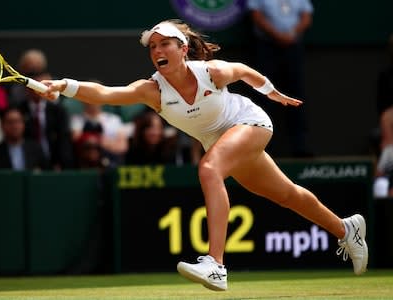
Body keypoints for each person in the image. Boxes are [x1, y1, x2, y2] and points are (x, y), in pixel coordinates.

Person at [40, 19, 368, 291]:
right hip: (222, 141)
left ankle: (216, 265)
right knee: (286, 195)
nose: (157, 51)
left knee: (209, 169)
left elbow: (243, 71)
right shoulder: (151, 91)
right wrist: (64, 84)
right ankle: (346, 229)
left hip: (249, 123)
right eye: (152, 47)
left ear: (183, 49)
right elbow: (106, 94)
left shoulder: (211, 72)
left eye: (164, 44)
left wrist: (272, 92)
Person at [246, 0, 313, 157]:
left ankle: (299, 146)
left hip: (293, 47)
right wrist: (278, 35)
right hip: (266, 47)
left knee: (296, 95)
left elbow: (306, 17)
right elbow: (256, 16)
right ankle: (263, 147)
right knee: (264, 94)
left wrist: (292, 34)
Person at [16, 71, 73, 170]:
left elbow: (63, 138)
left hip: (54, 162)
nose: (38, 90)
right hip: (29, 164)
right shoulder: (19, 110)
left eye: (40, 86)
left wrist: (61, 163)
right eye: (35, 85)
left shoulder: (58, 111)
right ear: (27, 89)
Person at [0, 107, 49, 171]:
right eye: (10, 122)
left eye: (18, 121)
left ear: (23, 124)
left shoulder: (35, 149)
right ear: (2, 125)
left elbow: (46, 173)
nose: (14, 126)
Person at [70, 100, 129, 167]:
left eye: (95, 97)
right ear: (82, 101)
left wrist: (101, 142)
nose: (92, 101)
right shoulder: (75, 120)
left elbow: (123, 147)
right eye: (89, 98)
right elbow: (75, 142)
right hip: (82, 165)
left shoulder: (114, 119)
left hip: (110, 162)